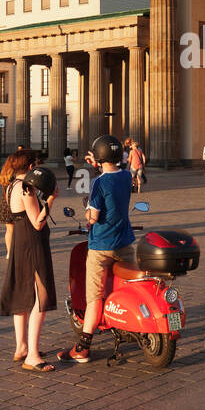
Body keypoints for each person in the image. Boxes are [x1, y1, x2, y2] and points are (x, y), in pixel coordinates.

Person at [58, 135, 134, 364]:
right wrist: (98, 164)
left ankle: (83, 347)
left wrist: (87, 213)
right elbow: (114, 173)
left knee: (95, 297)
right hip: (125, 243)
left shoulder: (98, 183)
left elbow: (94, 216)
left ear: (99, 158)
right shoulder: (127, 176)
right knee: (130, 285)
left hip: (101, 246)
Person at [0, 158, 59, 372]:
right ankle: (32, 356)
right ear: (32, 167)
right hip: (33, 245)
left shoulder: (10, 187)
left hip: (18, 244)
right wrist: (51, 199)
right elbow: (37, 222)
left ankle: (22, 347)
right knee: (39, 298)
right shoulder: (27, 188)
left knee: (23, 296)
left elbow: (9, 222)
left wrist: (9, 252)